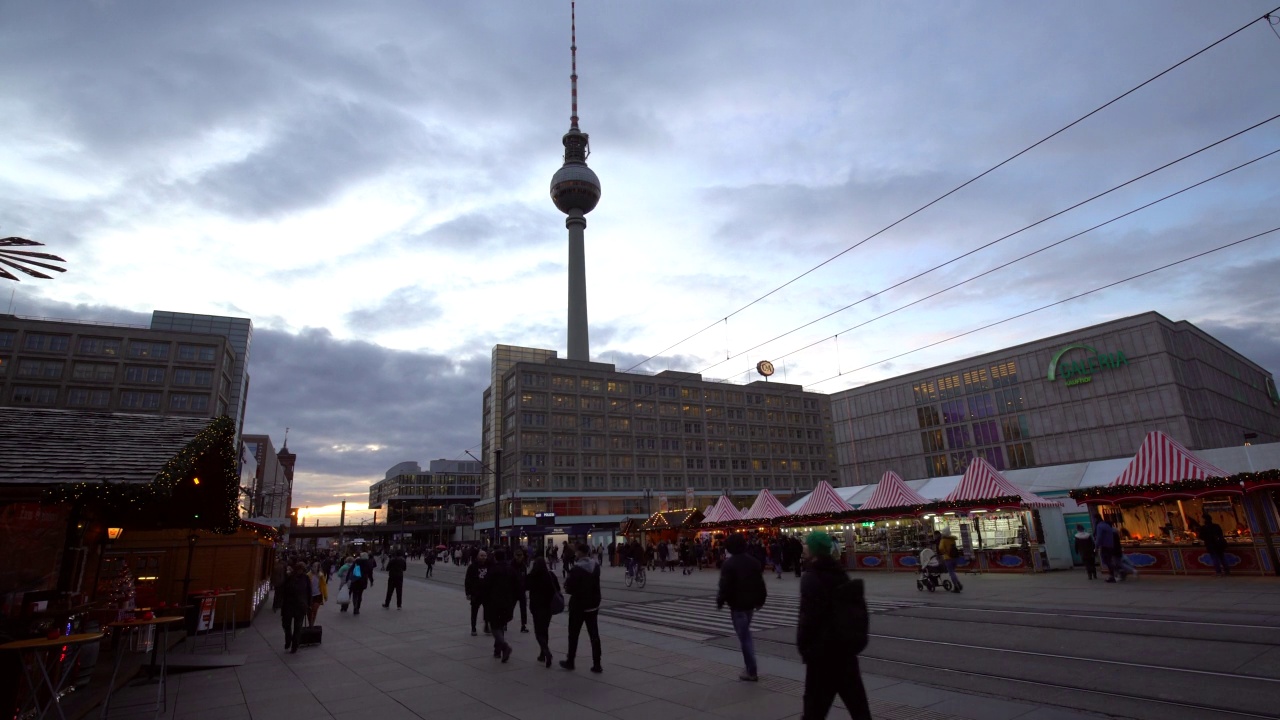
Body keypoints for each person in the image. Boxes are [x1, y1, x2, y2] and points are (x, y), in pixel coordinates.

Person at [797, 531, 872, 719]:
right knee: (859, 707)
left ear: (814, 550)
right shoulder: (840, 573)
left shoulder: (811, 578)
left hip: (822, 655)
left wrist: (805, 648)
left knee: (814, 710)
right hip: (845, 652)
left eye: (807, 544)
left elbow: (808, 619)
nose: (804, 546)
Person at [717, 534, 768, 681]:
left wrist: (721, 600)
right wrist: (761, 600)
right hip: (750, 605)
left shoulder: (729, 564)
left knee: (745, 637)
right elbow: (760, 584)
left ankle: (751, 670)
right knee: (745, 635)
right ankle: (749, 668)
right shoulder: (754, 562)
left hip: (737, 606)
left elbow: (724, 585)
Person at [561, 542, 602, 673]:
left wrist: (567, 585)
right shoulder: (596, 566)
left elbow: (569, 588)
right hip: (592, 606)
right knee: (594, 635)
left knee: (573, 635)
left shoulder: (576, 569)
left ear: (579, 553)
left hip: (578, 606)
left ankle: (570, 661)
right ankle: (597, 663)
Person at [484, 548, 520, 662]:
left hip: (495, 602)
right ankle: (497, 651)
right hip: (508, 602)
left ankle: (504, 646)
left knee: (494, 626)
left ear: (495, 558)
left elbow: (487, 586)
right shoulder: (511, 569)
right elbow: (517, 586)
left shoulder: (493, 570)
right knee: (500, 625)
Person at [526, 557, 560, 668]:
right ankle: (542, 653)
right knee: (545, 629)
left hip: (536, 606)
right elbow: (558, 589)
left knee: (538, 631)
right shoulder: (550, 575)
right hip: (548, 606)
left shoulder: (532, 576)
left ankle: (546, 651)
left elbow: (525, 586)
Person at [280, 562, 311, 654]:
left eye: (302, 569)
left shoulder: (306, 578)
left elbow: (309, 592)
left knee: (298, 627)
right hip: (288, 605)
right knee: (286, 625)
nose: (300, 571)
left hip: (300, 606)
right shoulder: (289, 578)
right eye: (298, 569)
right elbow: (284, 591)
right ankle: (288, 638)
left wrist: (308, 605)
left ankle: (295, 645)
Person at [465, 550, 490, 635]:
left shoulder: (489, 566)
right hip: (476, 593)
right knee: (474, 611)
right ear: (477, 557)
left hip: (486, 593)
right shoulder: (472, 567)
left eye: (485, 556)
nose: (483, 557)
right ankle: (473, 628)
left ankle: (487, 625)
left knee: (487, 611)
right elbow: (467, 580)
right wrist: (468, 593)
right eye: (482, 556)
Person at [1094, 518, 1124, 582]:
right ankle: (1116, 574)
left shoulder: (1100, 527)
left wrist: (1096, 546)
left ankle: (1116, 574)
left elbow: (1099, 537)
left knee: (1108, 561)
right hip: (1111, 547)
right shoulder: (1110, 529)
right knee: (1110, 561)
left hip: (1105, 546)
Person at [936, 528, 963, 593]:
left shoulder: (943, 540)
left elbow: (941, 548)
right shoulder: (952, 539)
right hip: (955, 558)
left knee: (951, 573)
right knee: (953, 571)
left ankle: (956, 586)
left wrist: (945, 552)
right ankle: (958, 583)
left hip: (948, 558)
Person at [511, 546, 530, 633]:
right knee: (510, 607)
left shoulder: (523, 566)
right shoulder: (511, 565)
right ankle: (505, 623)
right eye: (518, 555)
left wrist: (526, 586)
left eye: (520, 555)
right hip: (513, 590)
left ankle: (523, 625)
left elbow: (525, 577)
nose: (519, 557)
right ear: (514, 555)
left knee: (523, 608)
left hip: (521, 590)